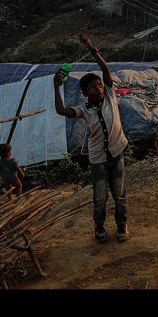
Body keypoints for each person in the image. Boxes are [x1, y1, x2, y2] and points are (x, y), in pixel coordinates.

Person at [53, 34, 130, 243]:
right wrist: (56, 86)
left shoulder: (110, 96)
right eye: (93, 86)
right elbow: (60, 110)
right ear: (86, 94)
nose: (99, 86)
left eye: (99, 84)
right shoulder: (83, 110)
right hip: (97, 159)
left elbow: (105, 70)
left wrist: (91, 48)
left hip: (117, 153)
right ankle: (99, 227)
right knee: (100, 197)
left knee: (119, 193)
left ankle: (122, 226)